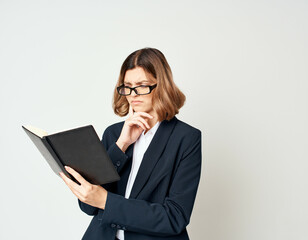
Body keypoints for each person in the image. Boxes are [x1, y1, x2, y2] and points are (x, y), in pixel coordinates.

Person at [60, 47, 202, 240]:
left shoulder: (186, 138)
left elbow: (174, 217)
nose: (133, 94)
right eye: (127, 86)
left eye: (142, 85)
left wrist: (107, 202)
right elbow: (88, 206)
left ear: (161, 86)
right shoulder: (114, 134)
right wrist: (122, 145)